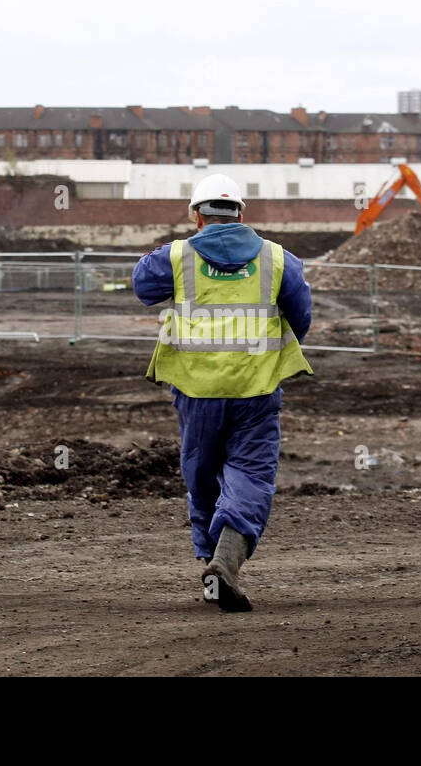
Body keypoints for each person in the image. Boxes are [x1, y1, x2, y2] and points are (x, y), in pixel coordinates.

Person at [132, 173, 313, 612]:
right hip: (256, 390)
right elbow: (301, 315)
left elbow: (142, 286)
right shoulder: (277, 259)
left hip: (197, 391)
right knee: (250, 475)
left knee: (202, 474)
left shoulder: (175, 256)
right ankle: (225, 562)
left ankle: (214, 560)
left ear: (197, 215)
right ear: (241, 214)